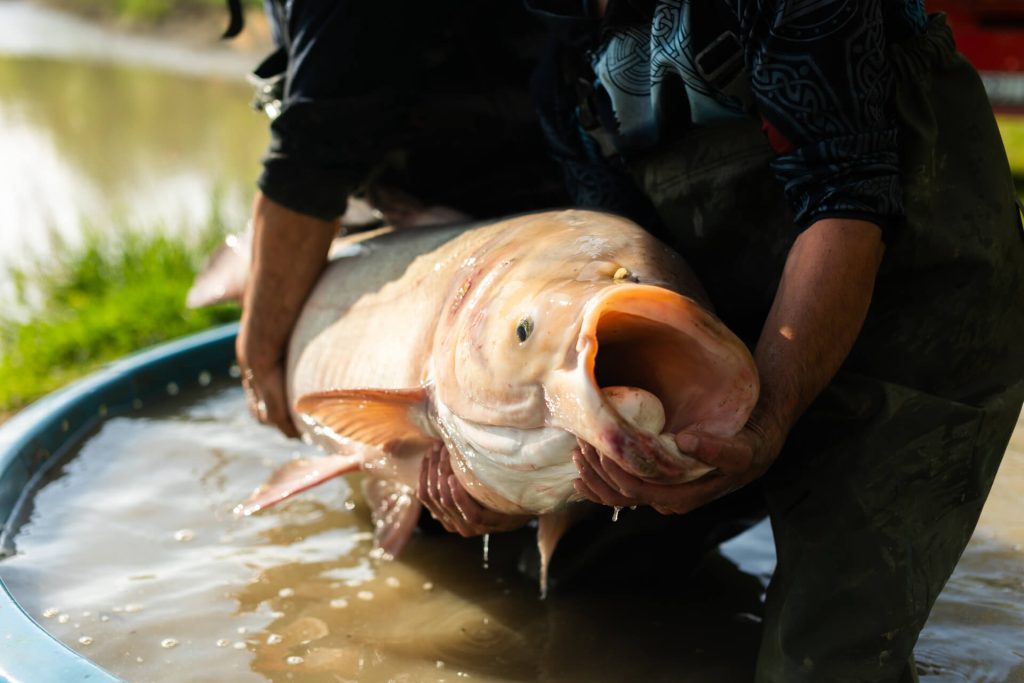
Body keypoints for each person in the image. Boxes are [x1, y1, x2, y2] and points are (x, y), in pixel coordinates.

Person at [235, 1, 1024, 681]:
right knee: (589, 588)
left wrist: (772, 415)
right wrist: (510, 482)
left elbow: (846, 200)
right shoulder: (566, 66)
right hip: (721, 345)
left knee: (828, 658)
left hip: (913, 325)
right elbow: (615, 246)